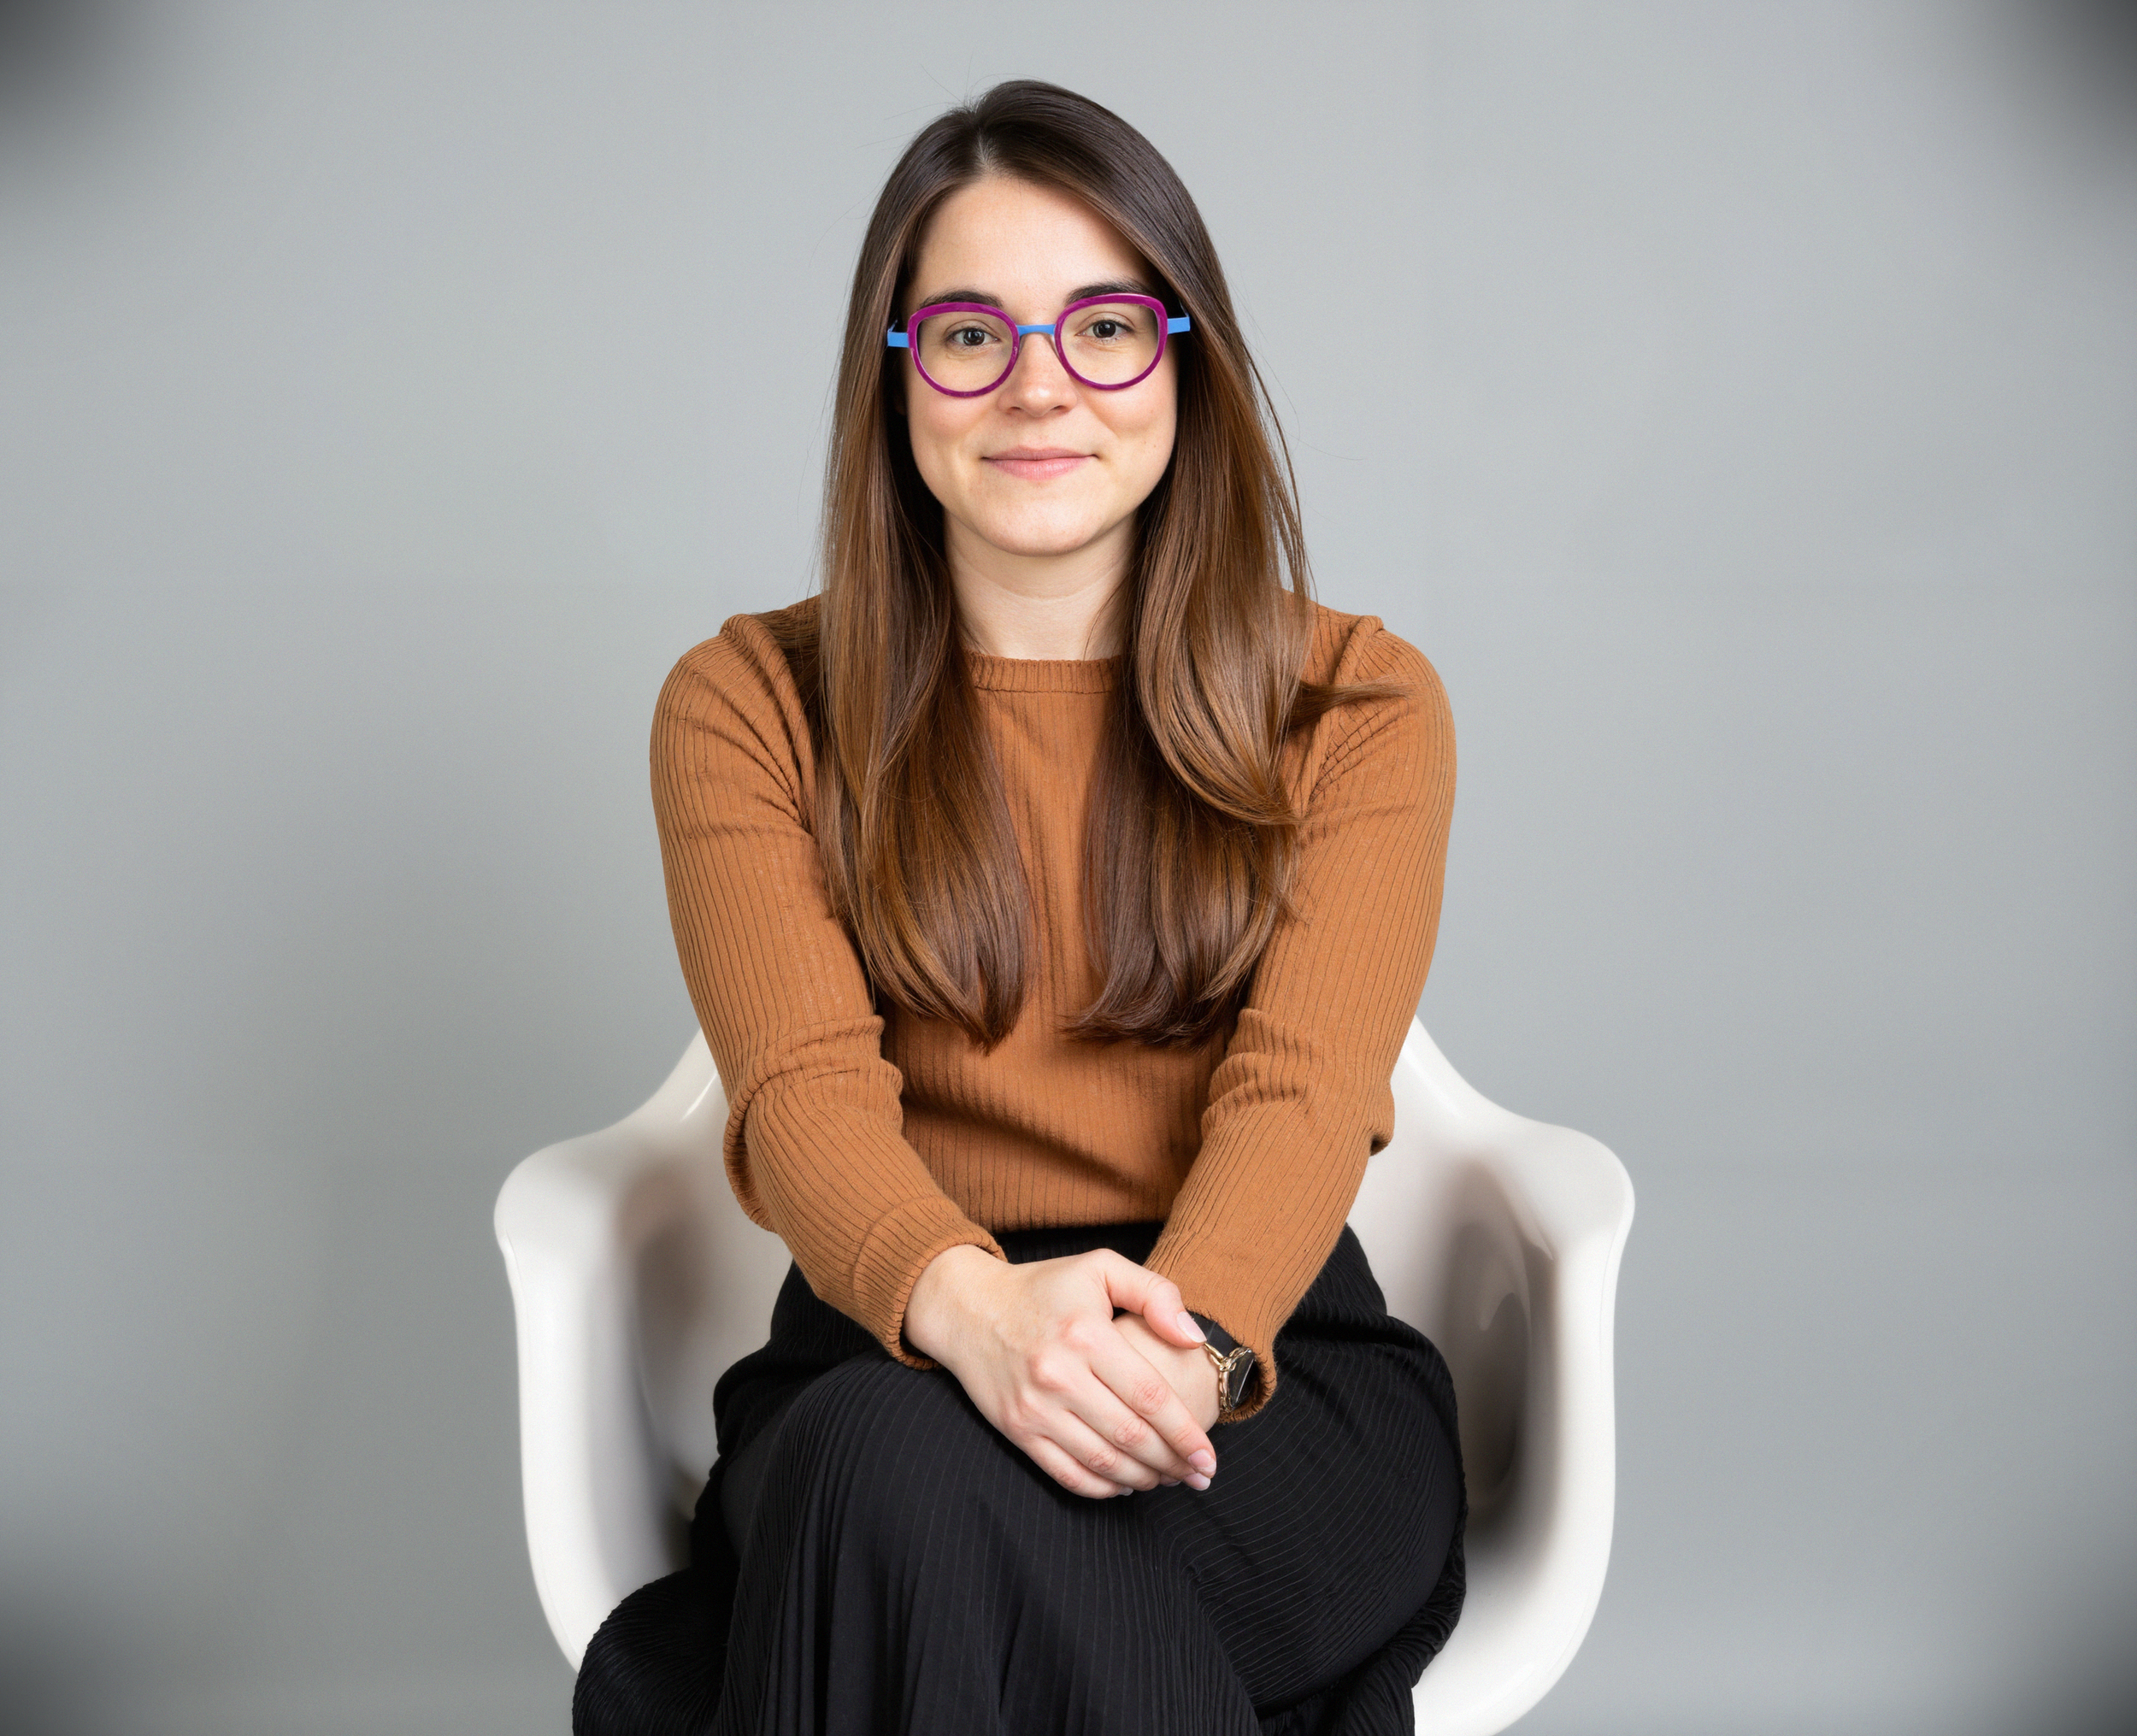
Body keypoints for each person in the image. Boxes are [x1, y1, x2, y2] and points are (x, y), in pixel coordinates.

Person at [575, 79, 1465, 1736]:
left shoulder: (1356, 701)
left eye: (1105, 327)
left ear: (1181, 362)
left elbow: (1304, 1095)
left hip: (1253, 1375)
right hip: (889, 1343)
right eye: (971, 335)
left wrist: (1174, 1356)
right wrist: (978, 1316)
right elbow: (799, 1098)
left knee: (899, 1540)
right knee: (894, 1477)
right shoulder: (747, 700)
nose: (1040, 385)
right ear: (897, 376)